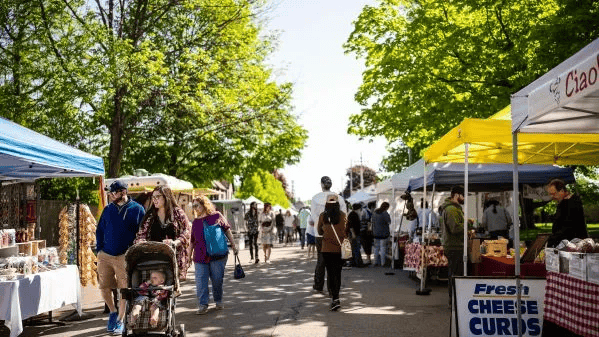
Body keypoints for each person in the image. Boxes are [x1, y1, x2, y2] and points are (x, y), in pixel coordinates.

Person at [96, 180, 146, 334]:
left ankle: (120, 320)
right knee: (104, 287)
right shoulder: (108, 209)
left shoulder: (138, 209)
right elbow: (100, 230)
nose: (110, 195)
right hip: (105, 254)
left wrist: (134, 252)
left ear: (123, 192)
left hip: (125, 255)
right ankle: (112, 312)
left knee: (123, 289)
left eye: (113, 192)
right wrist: (99, 250)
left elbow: (142, 232)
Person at [189, 195, 239, 314]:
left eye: (197, 205)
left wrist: (234, 245)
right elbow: (192, 241)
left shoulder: (217, 216)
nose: (195, 208)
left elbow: (227, 230)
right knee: (201, 281)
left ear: (204, 204)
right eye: (193, 206)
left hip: (218, 255)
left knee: (217, 280)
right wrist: (188, 256)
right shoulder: (195, 222)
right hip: (200, 256)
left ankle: (218, 300)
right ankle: (203, 305)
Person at [134, 185, 192, 282]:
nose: (155, 200)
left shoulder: (177, 213)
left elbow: (186, 231)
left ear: (166, 197)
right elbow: (142, 233)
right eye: (153, 197)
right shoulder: (150, 216)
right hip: (155, 257)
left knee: (171, 285)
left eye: (158, 197)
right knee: (156, 285)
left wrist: (176, 242)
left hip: (173, 256)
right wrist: (140, 241)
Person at [310, 176, 347, 294]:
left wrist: (321, 225)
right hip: (335, 234)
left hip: (320, 233)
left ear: (321, 184)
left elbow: (313, 217)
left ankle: (318, 285)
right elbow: (344, 216)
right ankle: (332, 289)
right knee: (334, 262)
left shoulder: (315, 198)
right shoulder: (339, 198)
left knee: (321, 260)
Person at [317, 194, 349, 311]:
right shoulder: (343, 215)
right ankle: (336, 297)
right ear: (337, 203)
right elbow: (346, 230)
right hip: (340, 249)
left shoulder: (323, 216)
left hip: (327, 249)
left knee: (330, 273)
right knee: (338, 273)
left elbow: (319, 232)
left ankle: (334, 298)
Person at [439, 185, 465, 307]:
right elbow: (455, 228)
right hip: (455, 246)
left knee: (454, 273)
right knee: (455, 274)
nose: (464, 198)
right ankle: (454, 300)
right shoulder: (452, 210)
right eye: (463, 195)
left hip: (453, 245)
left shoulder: (453, 208)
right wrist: (468, 225)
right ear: (456, 195)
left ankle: (454, 299)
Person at [546, 179, 588, 247]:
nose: (552, 197)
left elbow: (568, 227)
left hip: (573, 244)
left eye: (554, 194)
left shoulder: (572, 203)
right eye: (550, 194)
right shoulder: (564, 202)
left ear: (562, 191)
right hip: (566, 243)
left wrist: (551, 241)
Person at [371, 202, 391, 267]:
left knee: (376, 248)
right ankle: (383, 263)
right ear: (386, 207)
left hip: (375, 233)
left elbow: (372, 222)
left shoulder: (374, 213)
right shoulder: (385, 213)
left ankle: (375, 262)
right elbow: (389, 221)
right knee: (383, 248)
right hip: (383, 233)